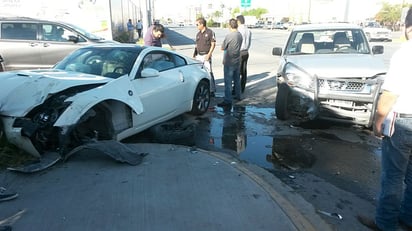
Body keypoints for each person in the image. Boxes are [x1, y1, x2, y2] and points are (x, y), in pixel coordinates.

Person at [357, 7, 412, 231]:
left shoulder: (405, 53)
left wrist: (378, 121)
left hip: (403, 122)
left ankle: (385, 224)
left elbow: (390, 93)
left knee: (393, 176)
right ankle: (408, 219)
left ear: (409, 27)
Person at [217, 18, 242, 108]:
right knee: (237, 80)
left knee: (228, 82)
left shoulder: (229, 36)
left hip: (229, 61)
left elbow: (223, 47)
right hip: (237, 60)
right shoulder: (240, 35)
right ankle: (238, 96)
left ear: (229, 26)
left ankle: (228, 100)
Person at [193, 18, 217, 96]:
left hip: (206, 55)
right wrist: (194, 55)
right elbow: (196, 46)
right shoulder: (198, 34)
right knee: (200, 72)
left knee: (209, 72)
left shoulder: (210, 32)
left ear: (202, 24)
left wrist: (209, 54)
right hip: (199, 55)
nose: (196, 26)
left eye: (197, 24)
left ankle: (212, 90)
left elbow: (213, 44)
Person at [236, 15, 251, 93]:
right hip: (246, 52)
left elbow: (237, 42)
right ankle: (242, 88)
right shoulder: (248, 30)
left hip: (239, 52)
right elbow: (249, 42)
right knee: (244, 71)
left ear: (238, 21)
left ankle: (236, 89)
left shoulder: (238, 30)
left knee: (237, 71)